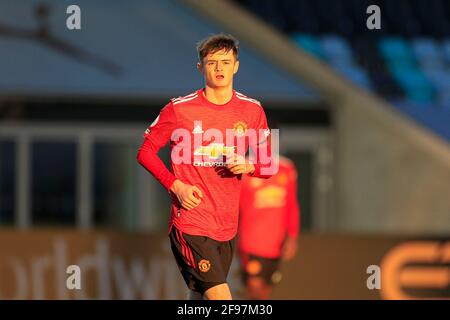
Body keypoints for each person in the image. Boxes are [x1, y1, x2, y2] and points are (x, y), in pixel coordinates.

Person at [136, 33, 274, 300]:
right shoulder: (178, 108)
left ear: (236, 66)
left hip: (227, 226)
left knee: (199, 297)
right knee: (222, 297)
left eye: (225, 61)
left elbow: (268, 165)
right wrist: (176, 186)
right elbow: (145, 152)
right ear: (201, 68)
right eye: (212, 63)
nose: (219, 68)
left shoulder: (253, 110)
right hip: (191, 222)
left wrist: (247, 165)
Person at [238, 142, 300, 299]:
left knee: (265, 292)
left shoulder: (286, 167)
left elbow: (291, 205)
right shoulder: (243, 166)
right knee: (254, 288)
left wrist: (292, 236)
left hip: (275, 244)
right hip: (251, 243)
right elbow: (233, 206)